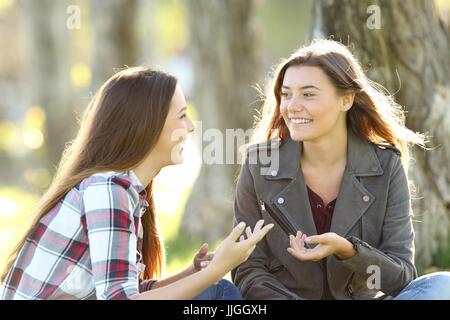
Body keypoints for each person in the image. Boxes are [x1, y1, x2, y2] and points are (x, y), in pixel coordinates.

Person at [0, 66, 273, 300]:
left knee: (211, 288)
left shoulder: (123, 191)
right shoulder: (107, 190)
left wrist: (195, 272)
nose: (190, 126)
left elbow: (127, 289)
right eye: (181, 115)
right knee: (218, 293)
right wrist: (216, 271)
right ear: (148, 126)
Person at [231, 39, 450, 300]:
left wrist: (350, 251)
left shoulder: (386, 167)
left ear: (346, 100)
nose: (291, 106)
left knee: (442, 285)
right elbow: (247, 270)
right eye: (286, 94)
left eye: (308, 94)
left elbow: (401, 277)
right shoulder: (259, 166)